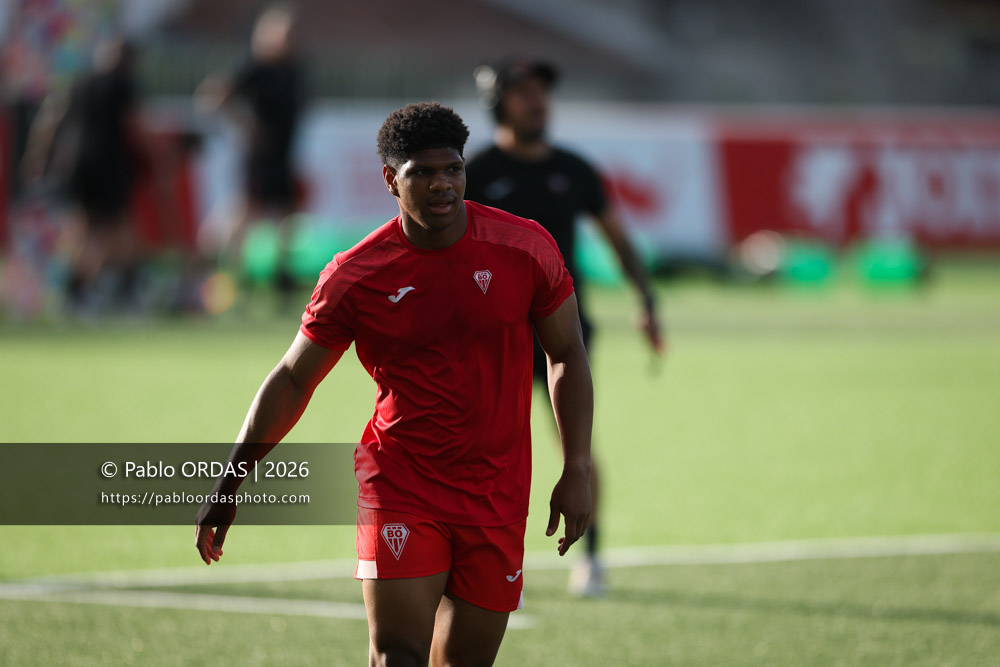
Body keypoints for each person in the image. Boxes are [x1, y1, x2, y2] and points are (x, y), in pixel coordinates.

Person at [195, 102, 594, 666]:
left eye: (452, 169)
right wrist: (229, 481)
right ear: (390, 179)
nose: (442, 185)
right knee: (397, 656)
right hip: (400, 481)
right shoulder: (356, 275)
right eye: (422, 173)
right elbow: (291, 379)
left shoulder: (525, 248)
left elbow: (567, 355)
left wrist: (575, 467)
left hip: (497, 491)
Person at [465, 57, 664, 597]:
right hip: (492, 333)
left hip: (564, 334)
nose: (537, 101)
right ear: (497, 103)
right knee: (482, 451)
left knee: (575, 447)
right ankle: (482, 561)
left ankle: (591, 558)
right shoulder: (473, 171)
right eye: (523, 92)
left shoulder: (575, 169)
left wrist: (646, 298)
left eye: (542, 92)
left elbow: (618, 238)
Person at [21, 37, 147, 314]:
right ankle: (118, 292)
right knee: (117, 230)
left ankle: (75, 293)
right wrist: (154, 156)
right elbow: (135, 126)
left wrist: (38, 156)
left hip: (74, 166)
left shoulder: (78, 83)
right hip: (108, 166)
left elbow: (49, 119)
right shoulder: (122, 84)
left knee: (84, 230)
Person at [195, 4, 305, 301]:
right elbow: (213, 96)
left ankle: (282, 274)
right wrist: (244, 125)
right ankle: (226, 273)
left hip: (284, 154)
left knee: (286, 214)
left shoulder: (293, 69)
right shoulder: (254, 67)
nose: (291, 39)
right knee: (248, 213)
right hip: (260, 157)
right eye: (285, 33)